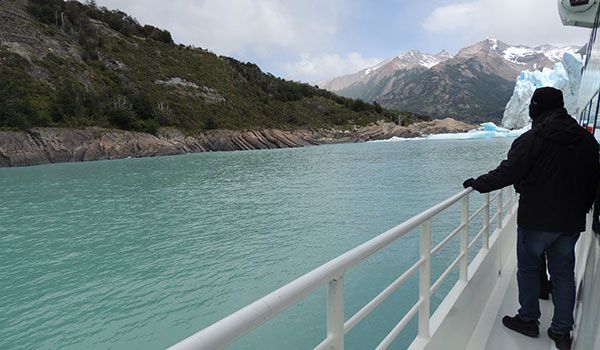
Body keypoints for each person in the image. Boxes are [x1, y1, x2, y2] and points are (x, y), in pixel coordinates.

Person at [463, 87, 600, 350]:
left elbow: (508, 172)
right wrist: (581, 209)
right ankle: (561, 331)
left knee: (527, 269)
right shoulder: (586, 140)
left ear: (536, 108)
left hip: (535, 220)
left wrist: (478, 183)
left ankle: (528, 318)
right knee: (563, 275)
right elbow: (594, 180)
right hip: (569, 222)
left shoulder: (531, 139)